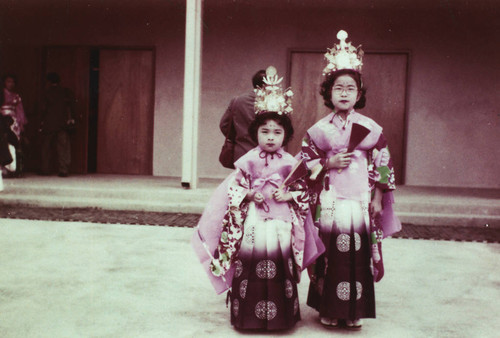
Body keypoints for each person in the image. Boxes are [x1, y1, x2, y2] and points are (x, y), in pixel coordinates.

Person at [192, 66, 324, 331]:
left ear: (285, 134)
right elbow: (234, 189)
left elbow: (303, 192)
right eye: (265, 131)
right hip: (253, 221)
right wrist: (248, 193)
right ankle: (247, 317)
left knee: (280, 262)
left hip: (281, 222)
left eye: (277, 132)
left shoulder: (290, 162)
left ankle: (281, 317)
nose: (271, 137)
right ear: (256, 134)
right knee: (251, 262)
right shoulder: (247, 161)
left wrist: (288, 194)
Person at [300, 31, 401, 330]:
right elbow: (304, 162)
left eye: (350, 88)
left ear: (359, 94)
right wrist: (328, 162)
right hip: (330, 201)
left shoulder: (371, 128)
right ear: (328, 93)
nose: (344, 93)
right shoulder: (318, 130)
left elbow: (383, 162)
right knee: (331, 253)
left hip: (358, 199)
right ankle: (328, 310)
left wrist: (378, 198)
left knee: (356, 256)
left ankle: (354, 311)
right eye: (338, 88)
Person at [219, 69, 266, 165]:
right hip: (266, 155)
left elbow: (224, 125)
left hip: (241, 152)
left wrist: (238, 139)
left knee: (241, 179)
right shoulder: (274, 103)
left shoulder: (237, 101)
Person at [39, 72, 75, 177]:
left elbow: (43, 109)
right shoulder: (66, 92)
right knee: (63, 147)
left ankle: (45, 169)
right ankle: (63, 170)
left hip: (49, 123)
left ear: (49, 82)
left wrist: (41, 122)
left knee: (46, 147)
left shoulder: (47, 92)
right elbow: (71, 106)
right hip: (63, 124)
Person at [1, 73, 27, 178]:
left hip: (13, 122)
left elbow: (19, 110)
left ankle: (13, 168)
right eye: (8, 81)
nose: (10, 84)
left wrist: (21, 123)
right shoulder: (1, 94)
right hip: (2, 120)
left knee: (13, 143)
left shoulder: (16, 96)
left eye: (12, 82)